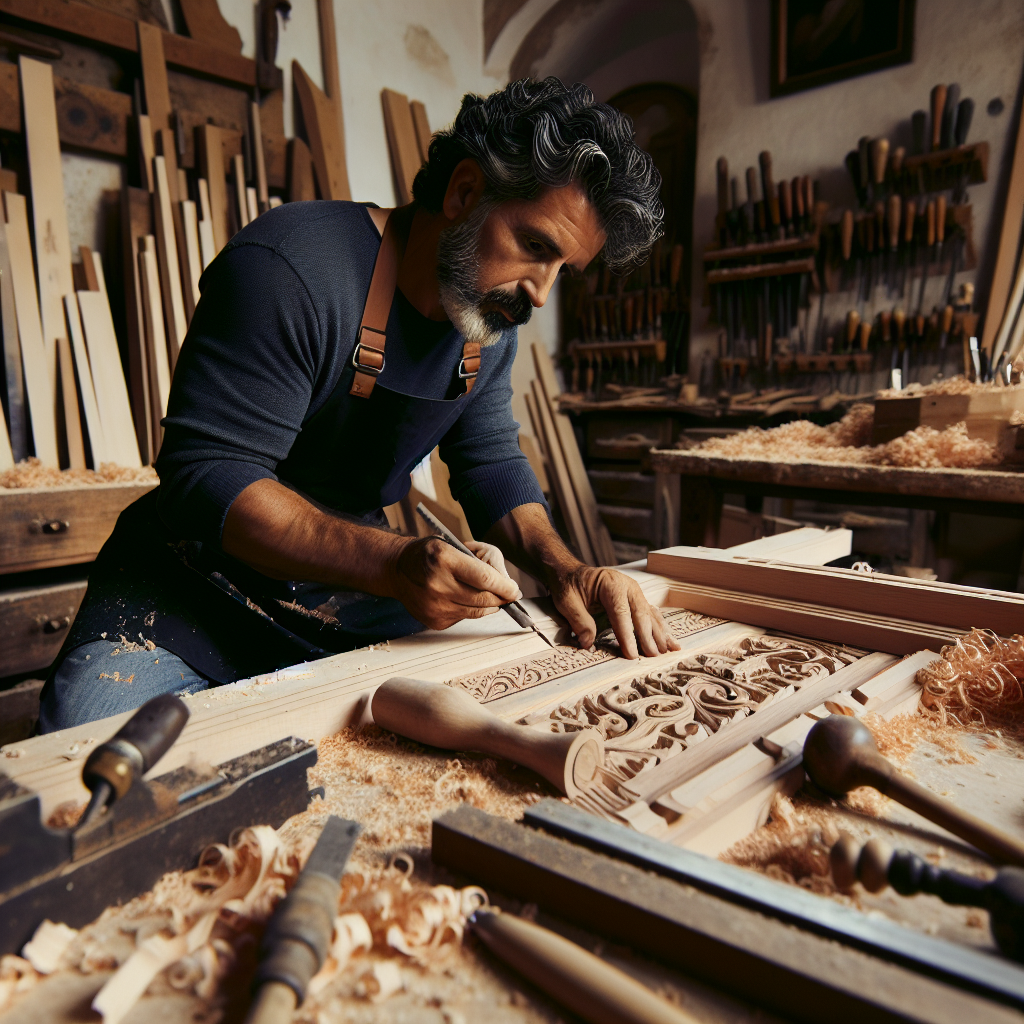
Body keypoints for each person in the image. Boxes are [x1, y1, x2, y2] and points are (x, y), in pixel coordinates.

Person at [39, 78, 678, 732]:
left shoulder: (488, 326)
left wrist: (568, 568)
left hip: (348, 591)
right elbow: (208, 475)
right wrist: (392, 562)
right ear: (464, 192)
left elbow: (489, 465)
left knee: (459, 731)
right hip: (189, 587)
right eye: (535, 247)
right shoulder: (293, 266)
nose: (540, 295)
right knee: (81, 745)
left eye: (562, 269)